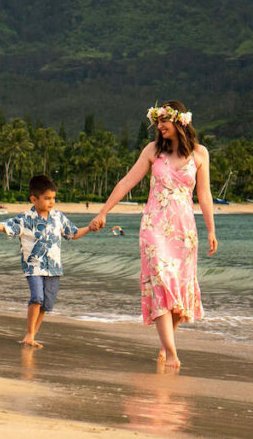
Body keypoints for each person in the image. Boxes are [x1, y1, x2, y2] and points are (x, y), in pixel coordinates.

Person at [89, 101, 218, 369]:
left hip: (184, 231)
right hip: (154, 227)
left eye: (164, 121)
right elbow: (126, 181)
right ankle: (171, 351)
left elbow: (204, 195)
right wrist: (103, 212)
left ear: (180, 122)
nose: (159, 126)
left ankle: (165, 343)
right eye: (157, 121)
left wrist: (211, 230)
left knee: (178, 290)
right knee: (160, 282)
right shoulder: (152, 151)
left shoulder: (200, 154)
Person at [0, 174, 90, 347]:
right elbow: (4, 227)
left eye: (53, 198)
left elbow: (73, 233)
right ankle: (29, 334)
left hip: (54, 269)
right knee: (37, 298)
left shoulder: (58, 217)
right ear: (33, 199)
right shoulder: (25, 219)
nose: (51, 202)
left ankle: (33, 335)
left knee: (46, 305)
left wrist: (90, 228)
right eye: (47, 198)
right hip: (33, 267)